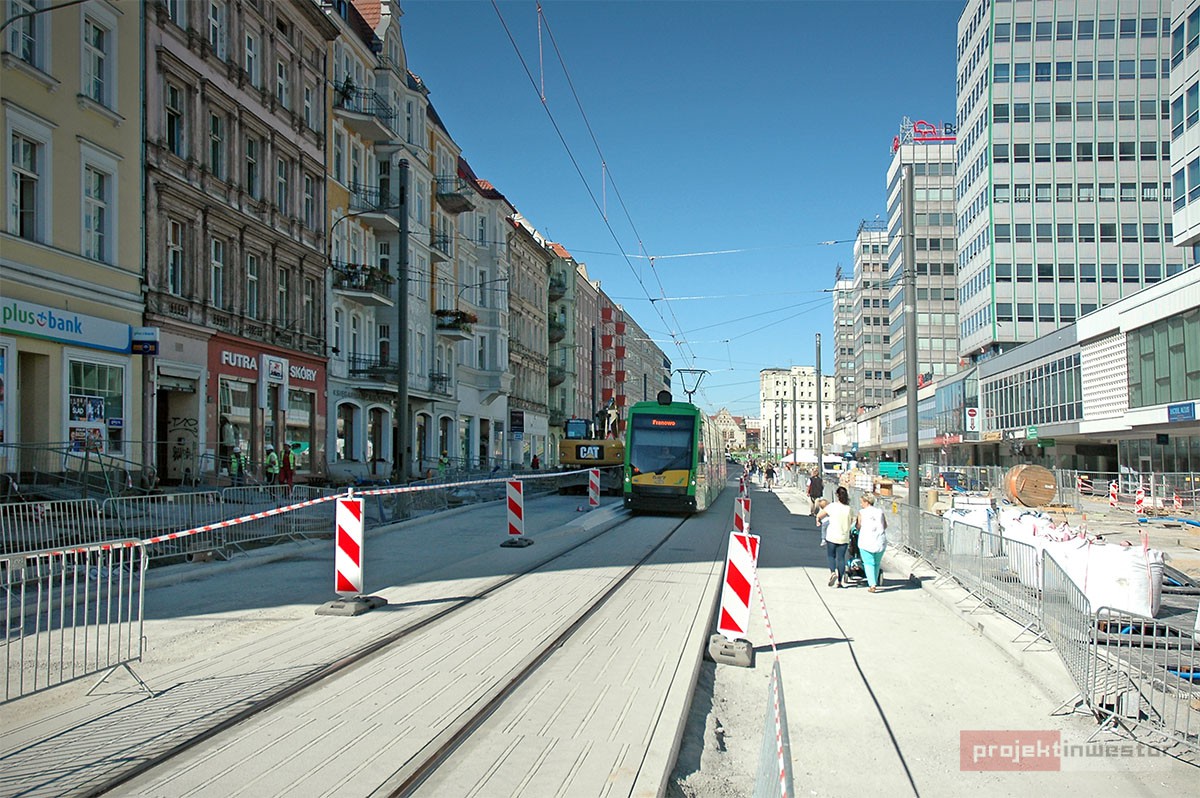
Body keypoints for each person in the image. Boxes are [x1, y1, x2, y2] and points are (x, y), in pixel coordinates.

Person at [816, 486, 853, 587]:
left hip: (832, 535)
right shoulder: (849, 509)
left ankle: (833, 573)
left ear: (837, 495)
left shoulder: (832, 506)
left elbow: (820, 515)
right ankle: (840, 581)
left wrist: (817, 520)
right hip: (844, 537)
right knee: (841, 559)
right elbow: (851, 521)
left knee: (831, 556)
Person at [856, 493, 888, 592]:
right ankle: (874, 581)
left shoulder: (862, 512)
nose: (861, 504)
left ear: (866, 502)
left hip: (866, 540)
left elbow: (858, 525)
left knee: (868, 563)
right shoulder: (880, 512)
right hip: (880, 540)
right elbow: (885, 525)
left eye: (862, 502)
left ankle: (872, 584)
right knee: (876, 563)